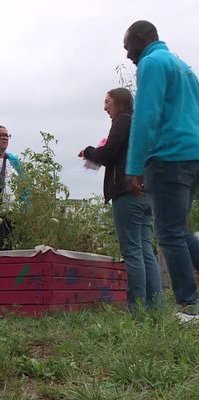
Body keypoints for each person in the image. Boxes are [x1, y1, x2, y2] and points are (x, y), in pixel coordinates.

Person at [123, 20, 199, 321]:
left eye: (129, 48)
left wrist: (134, 166)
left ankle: (188, 305)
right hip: (193, 157)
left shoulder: (152, 63)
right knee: (177, 230)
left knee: (168, 234)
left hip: (170, 158)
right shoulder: (182, 66)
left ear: (142, 40)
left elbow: (146, 115)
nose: (128, 56)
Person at [79, 88, 162, 311]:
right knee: (145, 250)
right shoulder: (141, 123)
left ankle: (136, 309)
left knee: (133, 251)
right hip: (147, 193)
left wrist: (89, 152)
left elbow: (109, 153)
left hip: (127, 193)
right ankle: (156, 307)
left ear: (119, 103)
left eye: (107, 102)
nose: (105, 107)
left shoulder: (123, 120)